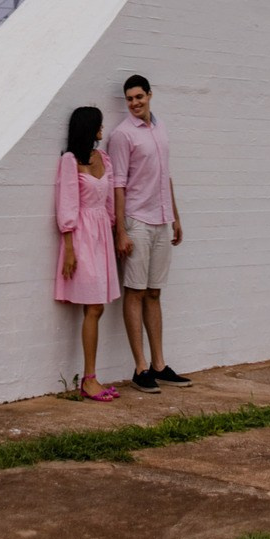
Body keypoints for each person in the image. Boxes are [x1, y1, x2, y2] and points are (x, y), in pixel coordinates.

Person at [108, 73, 190, 392]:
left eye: (139, 97)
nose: (135, 103)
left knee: (155, 292)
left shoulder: (160, 127)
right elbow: (118, 184)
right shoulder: (122, 135)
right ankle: (140, 367)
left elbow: (165, 175)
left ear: (150, 95)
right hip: (136, 220)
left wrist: (176, 217)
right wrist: (120, 231)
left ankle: (159, 365)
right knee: (136, 290)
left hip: (161, 218)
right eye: (129, 99)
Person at [54, 104, 120, 401]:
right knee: (93, 307)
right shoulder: (70, 161)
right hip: (81, 236)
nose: (102, 131)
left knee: (98, 306)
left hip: (102, 234)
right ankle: (89, 379)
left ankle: (91, 377)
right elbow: (66, 202)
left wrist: (116, 232)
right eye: (99, 125)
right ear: (88, 128)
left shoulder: (102, 157)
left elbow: (108, 202)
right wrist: (68, 248)